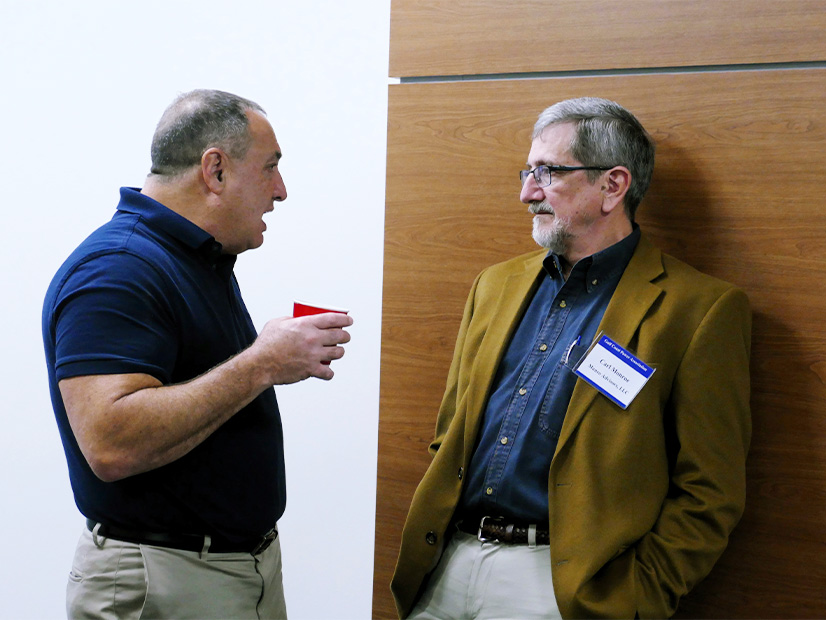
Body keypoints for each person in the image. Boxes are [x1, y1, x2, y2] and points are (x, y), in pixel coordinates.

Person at [391, 97, 751, 619]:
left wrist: (635, 596)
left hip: (563, 588)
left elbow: (709, 492)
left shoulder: (698, 310)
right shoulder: (494, 285)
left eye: (547, 173)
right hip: (448, 566)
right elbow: (452, 430)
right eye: (527, 171)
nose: (526, 192)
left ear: (612, 186)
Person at [42, 89, 353, 619]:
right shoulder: (117, 269)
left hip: (229, 573)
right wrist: (261, 364)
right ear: (215, 170)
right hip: (165, 583)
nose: (280, 191)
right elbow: (111, 443)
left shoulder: (194, 259)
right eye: (270, 168)